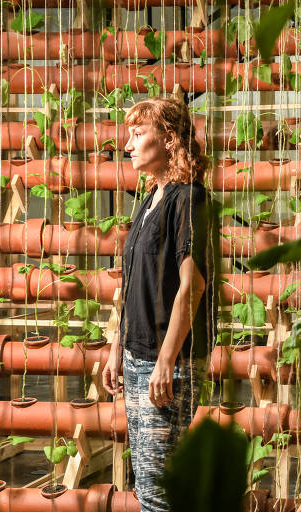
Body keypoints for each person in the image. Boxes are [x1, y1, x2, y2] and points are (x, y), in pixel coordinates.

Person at [102, 97, 216, 512]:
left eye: (137, 134)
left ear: (169, 139)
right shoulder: (150, 201)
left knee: (158, 492)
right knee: (149, 483)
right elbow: (135, 284)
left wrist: (168, 360)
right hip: (138, 356)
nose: (127, 145)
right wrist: (117, 347)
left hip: (168, 362)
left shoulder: (189, 199)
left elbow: (194, 284)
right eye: (128, 135)